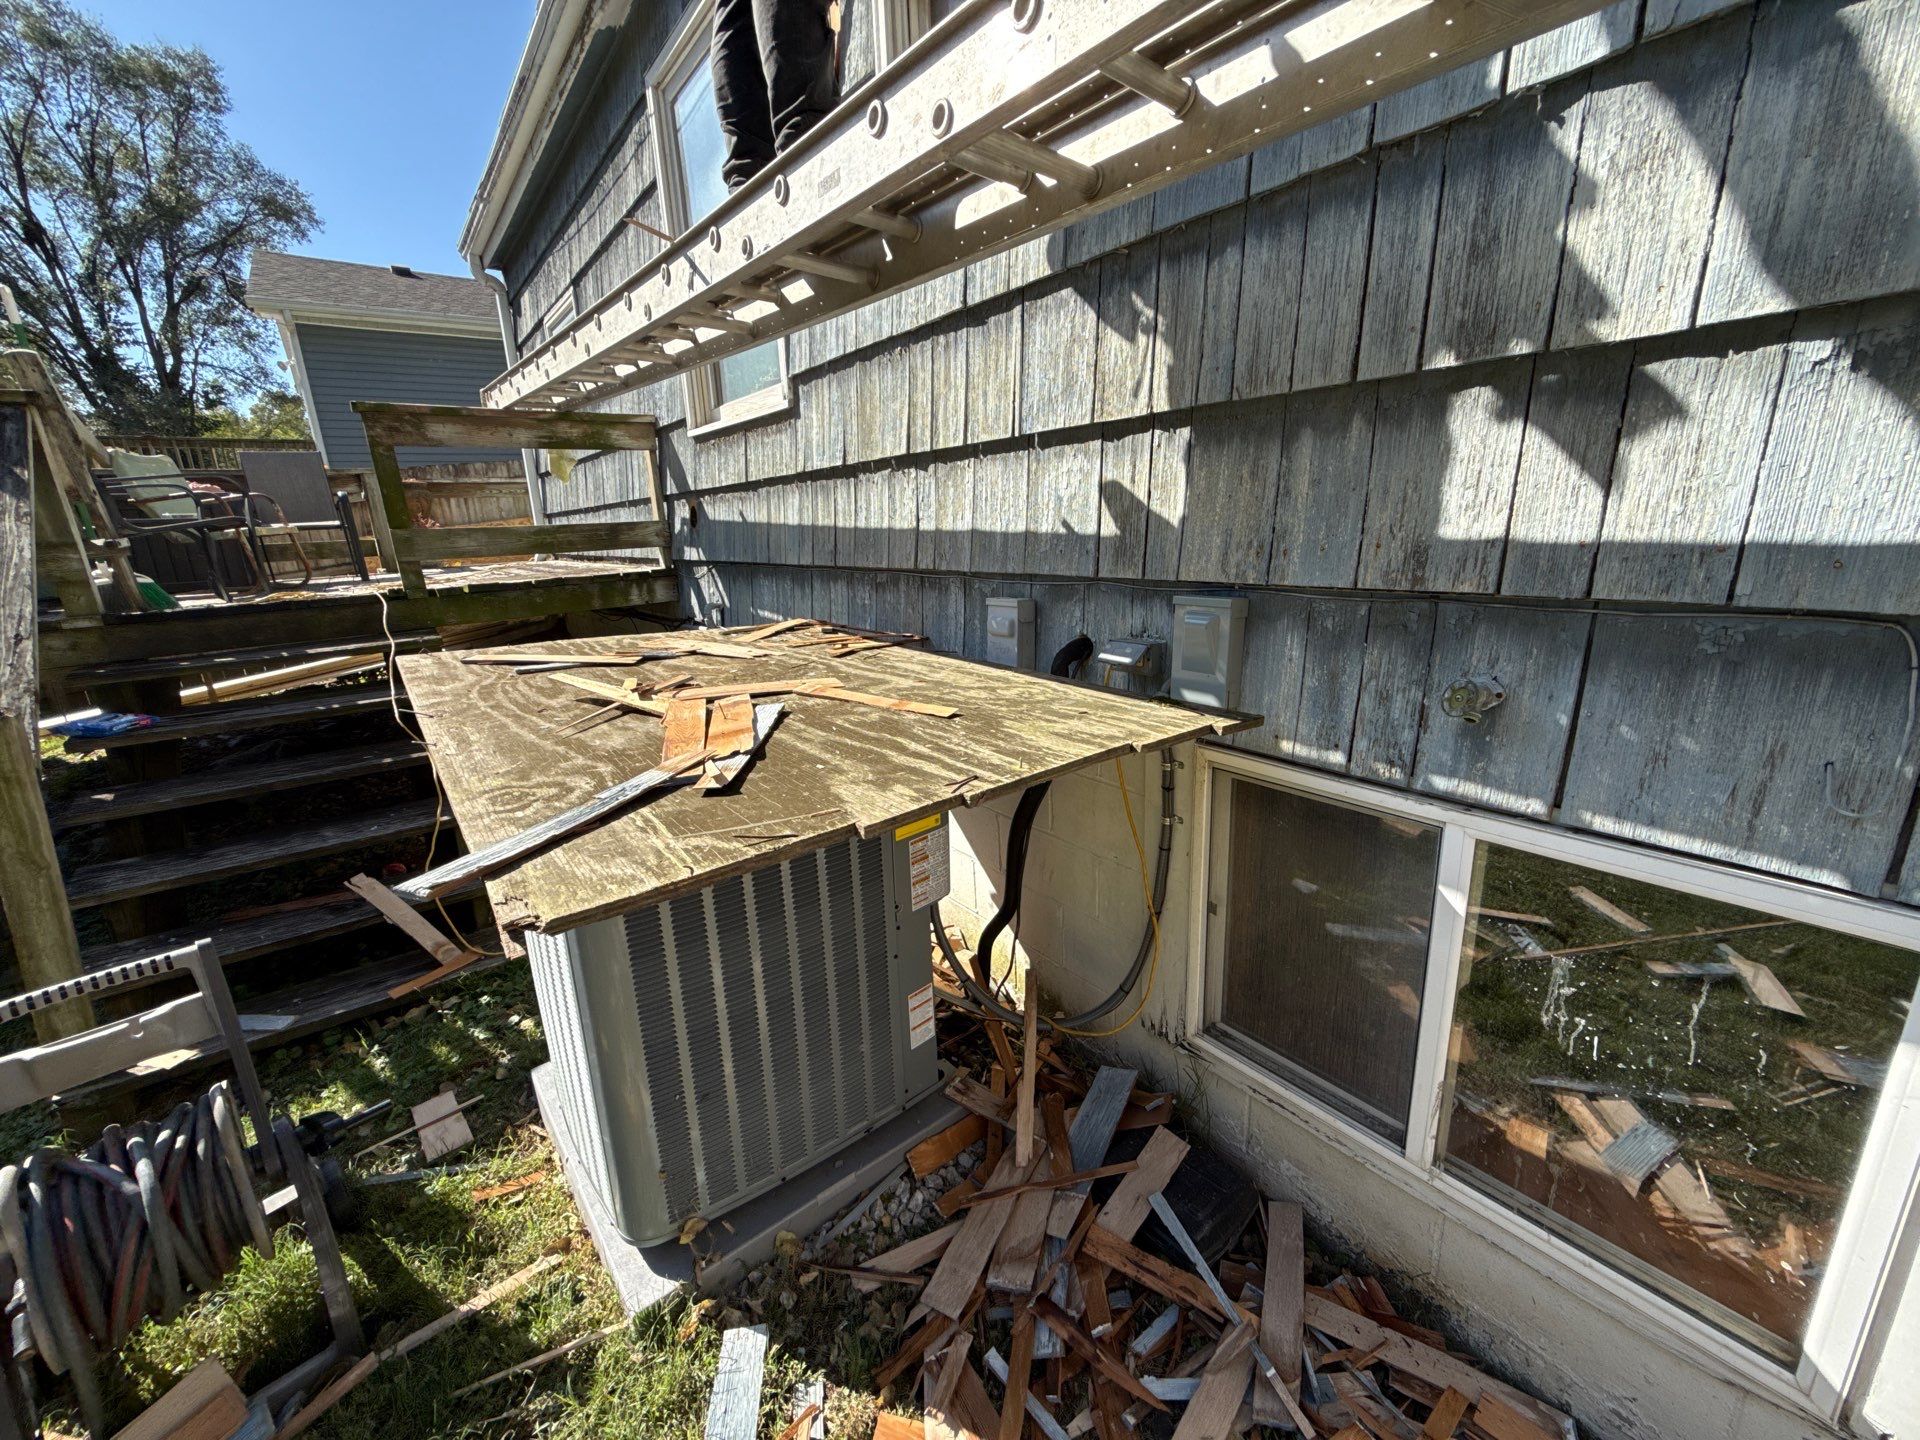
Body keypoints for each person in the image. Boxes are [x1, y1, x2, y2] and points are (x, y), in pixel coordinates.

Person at [712, 0, 838, 192]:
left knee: (735, 8)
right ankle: (803, 138)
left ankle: (747, 179)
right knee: (801, 132)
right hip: (809, 157)